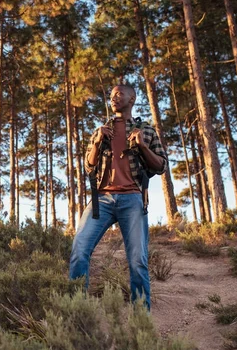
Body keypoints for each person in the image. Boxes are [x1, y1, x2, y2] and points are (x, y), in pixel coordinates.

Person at [69, 84, 168, 310]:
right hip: (101, 200)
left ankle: (141, 318)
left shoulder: (146, 130)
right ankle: (76, 310)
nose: (113, 98)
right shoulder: (101, 130)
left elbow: (161, 166)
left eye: (119, 94)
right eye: (112, 95)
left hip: (133, 199)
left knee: (137, 260)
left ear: (132, 99)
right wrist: (96, 142)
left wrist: (142, 146)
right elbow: (88, 166)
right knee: (79, 250)